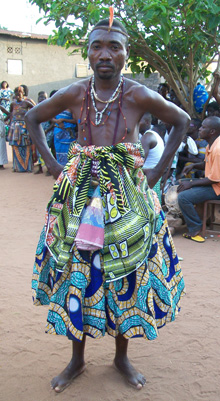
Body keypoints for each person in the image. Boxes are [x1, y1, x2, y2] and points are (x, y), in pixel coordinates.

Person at [25, 18, 190, 393]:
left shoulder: (137, 95)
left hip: (128, 202)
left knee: (127, 278)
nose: (105, 53)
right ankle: (77, 360)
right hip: (81, 200)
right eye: (97, 45)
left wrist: (154, 176)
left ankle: (121, 357)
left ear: (125, 54)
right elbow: (33, 117)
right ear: (87, 51)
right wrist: (53, 166)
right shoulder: (74, 93)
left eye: (114, 46)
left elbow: (180, 121)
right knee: (76, 277)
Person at [177, 116, 220, 242]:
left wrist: (191, 183)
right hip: (214, 184)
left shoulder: (217, 149)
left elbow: (215, 179)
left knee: (183, 197)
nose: (199, 129)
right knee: (183, 184)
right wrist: (194, 165)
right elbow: (208, 164)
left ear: (212, 132)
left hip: (217, 188)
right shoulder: (211, 145)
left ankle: (196, 228)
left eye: (203, 127)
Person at [7, 86, 34, 172]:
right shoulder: (13, 104)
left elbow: (36, 109)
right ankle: (17, 167)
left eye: (20, 92)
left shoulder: (27, 102)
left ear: (23, 93)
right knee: (15, 146)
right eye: (17, 92)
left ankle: (27, 167)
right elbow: (11, 114)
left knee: (26, 145)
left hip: (24, 126)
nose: (18, 94)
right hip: (14, 127)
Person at [139, 112, 164, 201]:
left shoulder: (147, 137)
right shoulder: (153, 135)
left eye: (138, 121)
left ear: (147, 122)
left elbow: (138, 163)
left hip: (148, 179)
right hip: (154, 177)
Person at [0, 104, 9, 168]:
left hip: (0, 129)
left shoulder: (1, 107)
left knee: (1, 146)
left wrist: (3, 121)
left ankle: (1, 163)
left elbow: (9, 114)